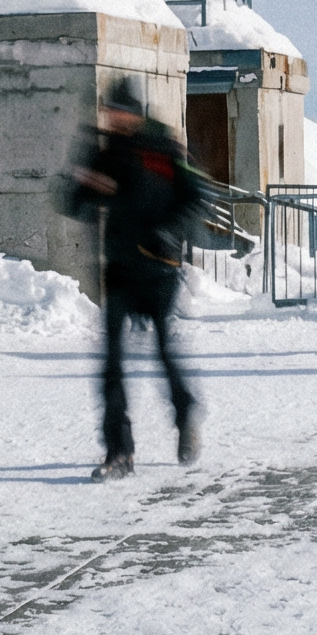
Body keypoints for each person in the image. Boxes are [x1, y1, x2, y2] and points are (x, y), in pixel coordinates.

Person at [58, 79, 209, 478]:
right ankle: (118, 452)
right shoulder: (103, 150)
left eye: (119, 110)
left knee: (163, 351)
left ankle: (185, 411)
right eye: (109, 110)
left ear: (135, 113)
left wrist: (168, 229)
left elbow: (196, 195)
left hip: (159, 268)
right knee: (110, 363)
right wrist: (82, 179)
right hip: (121, 269)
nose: (112, 117)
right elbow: (72, 203)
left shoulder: (165, 147)